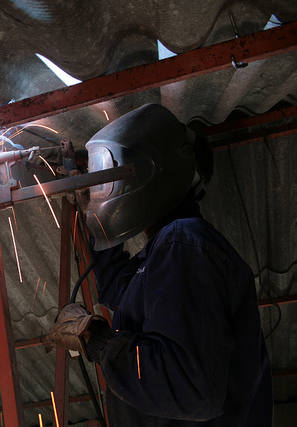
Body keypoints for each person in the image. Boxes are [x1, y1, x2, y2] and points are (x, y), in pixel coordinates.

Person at [46, 104, 273, 426]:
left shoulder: (184, 244)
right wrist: (93, 224)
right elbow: (117, 290)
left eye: (109, 177)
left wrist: (96, 340)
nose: (103, 192)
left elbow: (183, 389)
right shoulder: (168, 250)